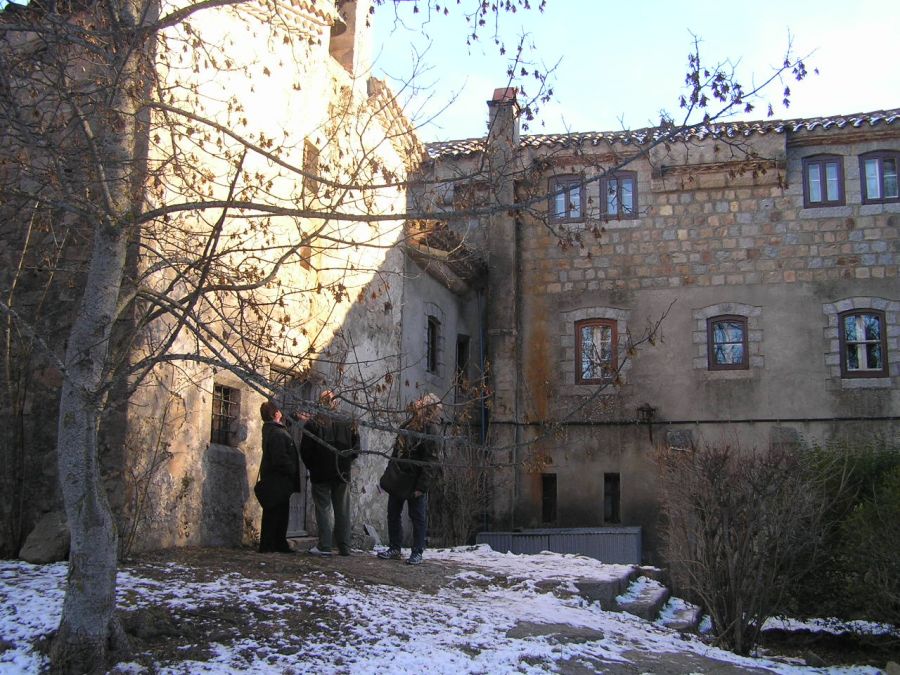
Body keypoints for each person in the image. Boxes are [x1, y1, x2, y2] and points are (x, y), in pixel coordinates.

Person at [377, 392, 442, 565]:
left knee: (417, 517)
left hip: (415, 480)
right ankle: (395, 548)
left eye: (422, 400)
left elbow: (431, 461)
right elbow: (396, 452)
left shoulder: (431, 429)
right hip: (399, 478)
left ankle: (417, 551)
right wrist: (388, 477)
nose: (417, 401)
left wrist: (422, 486)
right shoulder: (408, 423)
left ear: (428, 407)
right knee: (393, 513)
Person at [297, 390, 360, 556]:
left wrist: (313, 467)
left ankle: (325, 545)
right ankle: (344, 546)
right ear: (335, 403)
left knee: (323, 508)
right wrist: (346, 463)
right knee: (342, 509)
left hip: (321, 473)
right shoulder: (347, 422)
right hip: (342, 473)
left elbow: (305, 451)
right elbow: (356, 448)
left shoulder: (313, 423)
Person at [257, 400, 301, 554]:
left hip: (276, 478)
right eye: (279, 411)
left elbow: (284, 428)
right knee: (275, 513)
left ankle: (276, 543)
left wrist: (294, 417)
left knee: (278, 512)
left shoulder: (273, 429)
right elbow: (280, 457)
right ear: (276, 414)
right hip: (278, 479)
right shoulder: (275, 433)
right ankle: (271, 544)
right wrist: (291, 469)